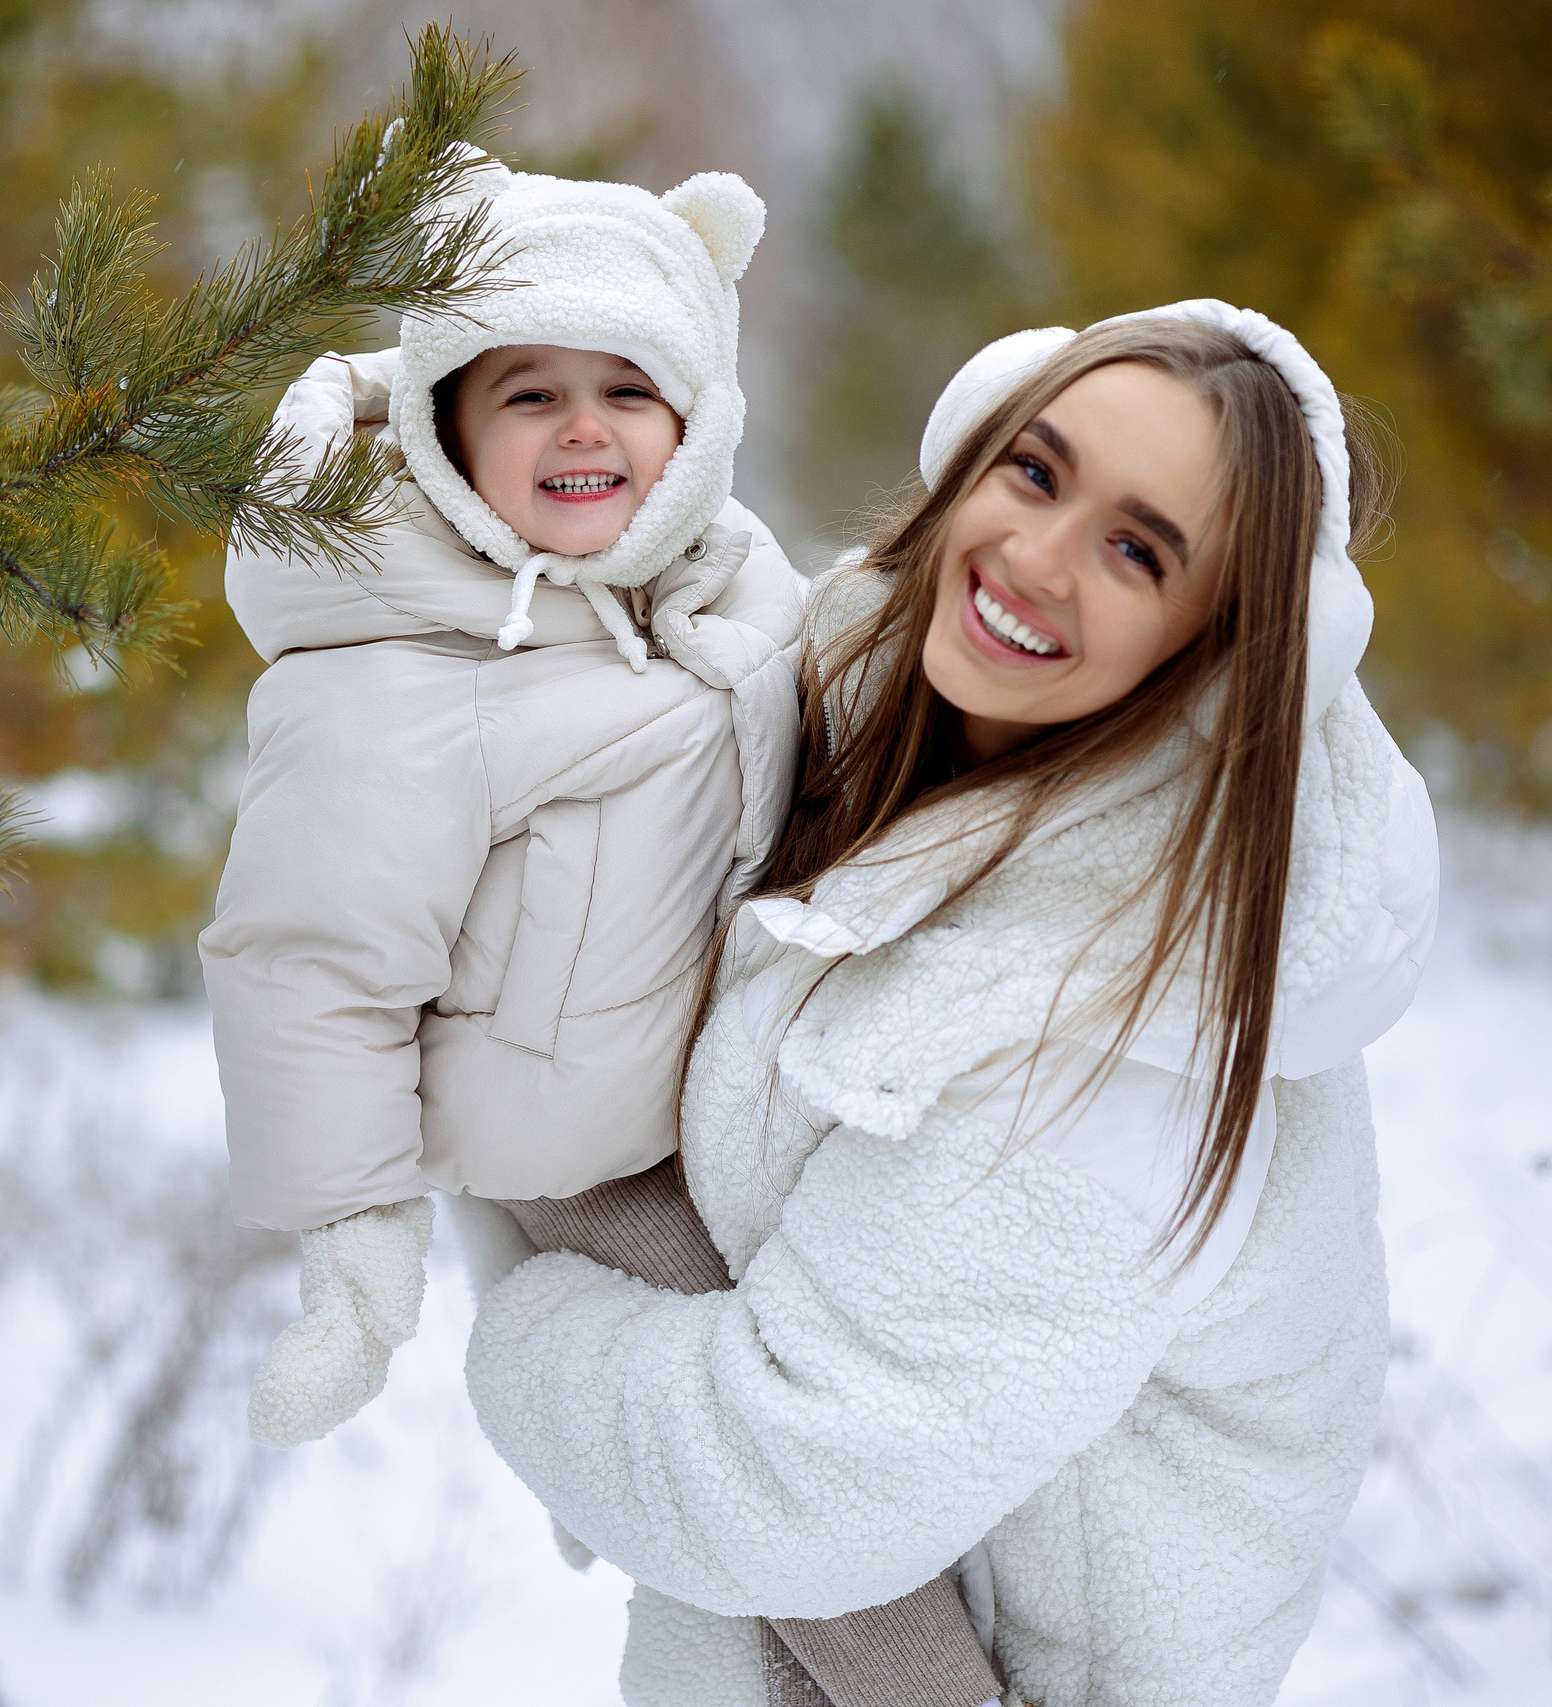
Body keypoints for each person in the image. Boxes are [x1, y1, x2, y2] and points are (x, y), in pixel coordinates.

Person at [461, 301, 1443, 1707]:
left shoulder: (1116, 1029)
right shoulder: (877, 720)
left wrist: (533, 1313)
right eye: (1035, 472)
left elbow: (785, 1488)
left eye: (1136, 549)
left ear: (1213, 648)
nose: (1035, 559)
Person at [199, 153, 1007, 1707]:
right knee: (788, 1454)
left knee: (896, 1380)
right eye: (529, 395)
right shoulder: (394, 675)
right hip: (590, 1158)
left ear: (696, 424)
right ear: (446, 434)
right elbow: (311, 967)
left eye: (628, 389)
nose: (584, 428)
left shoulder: (721, 575)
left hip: (747, 1088)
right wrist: (357, 1258)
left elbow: (824, 701)